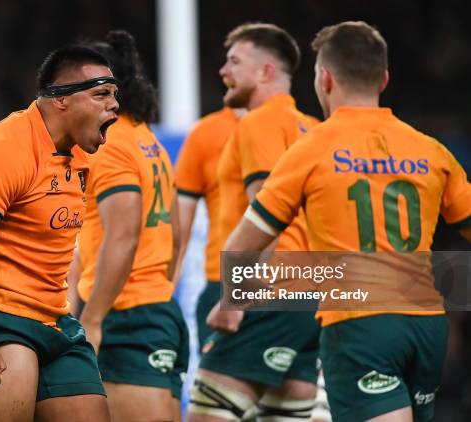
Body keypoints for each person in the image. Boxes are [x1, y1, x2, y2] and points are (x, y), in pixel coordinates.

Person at [223, 21, 471, 422]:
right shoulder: (431, 149)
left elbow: (241, 246)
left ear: (324, 79)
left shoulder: (311, 149)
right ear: (384, 79)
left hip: (360, 324)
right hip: (427, 324)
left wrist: (230, 303)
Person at [0, 45, 119, 422]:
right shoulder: (5, 149)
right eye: (101, 94)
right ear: (61, 100)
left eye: (115, 95)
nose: (114, 105)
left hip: (56, 322)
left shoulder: (82, 155)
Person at [188, 23, 322, 422]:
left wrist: (237, 297)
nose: (223, 71)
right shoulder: (313, 131)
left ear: (265, 72)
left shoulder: (259, 123)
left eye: (234, 61)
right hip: (309, 296)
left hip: (264, 292)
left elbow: (267, 212)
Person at [76, 30, 189, 422]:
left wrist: (91, 318)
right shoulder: (148, 140)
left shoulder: (111, 145)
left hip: (126, 316)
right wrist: (159, 289)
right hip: (158, 310)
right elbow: (175, 234)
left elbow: (123, 236)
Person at [175, 105, 243, 351]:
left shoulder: (303, 128)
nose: (225, 72)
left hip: (288, 283)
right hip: (222, 279)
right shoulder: (206, 133)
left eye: (235, 62)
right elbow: (179, 231)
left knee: (215, 385)